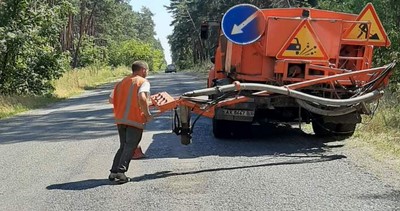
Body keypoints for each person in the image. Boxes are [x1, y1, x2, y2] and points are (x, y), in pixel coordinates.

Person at [108, 60, 153, 184]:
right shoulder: (142, 82)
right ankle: (121, 173)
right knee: (131, 146)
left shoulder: (121, 82)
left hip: (121, 119)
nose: (147, 73)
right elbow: (142, 98)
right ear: (143, 70)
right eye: (147, 70)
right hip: (134, 119)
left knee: (123, 145)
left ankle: (113, 171)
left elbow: (111, 99)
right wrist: (148, 114)